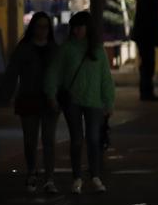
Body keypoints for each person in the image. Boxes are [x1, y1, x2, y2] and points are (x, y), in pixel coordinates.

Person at [45, 11, 115, 195]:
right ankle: (77, 177)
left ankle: (95, 176)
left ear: (88, 28)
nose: (76, 31)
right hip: (72, 101)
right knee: (76, 140)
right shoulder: (67, 49)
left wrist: (109, 101)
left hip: (94, 100)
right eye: (74, 27)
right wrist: (51, 95)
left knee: (93, 139)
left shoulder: (98, 50)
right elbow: (54, 72)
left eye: (80, 27)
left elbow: (105, 78)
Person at [0, 12, 60, 194]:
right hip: (28, 98)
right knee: (30, 140)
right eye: (39, 26)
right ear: (33, 27)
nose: (42, 30)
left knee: (49, 141)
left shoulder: (54, 49)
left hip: (49, 99)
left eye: (46, 27)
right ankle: (32, 172)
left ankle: (49, 178)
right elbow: (12, 73)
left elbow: (61, 74)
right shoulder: (24, 48)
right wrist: (5, 96)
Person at [132, 0, 158, 102]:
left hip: (145, 37)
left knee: (147, 65)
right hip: (146, 37)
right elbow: (150, 19)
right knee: (148, 65)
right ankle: (147, 92)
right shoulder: (149, 0)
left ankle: (146, 92)